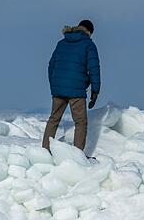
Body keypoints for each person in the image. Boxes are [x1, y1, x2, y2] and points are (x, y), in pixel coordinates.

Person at [42, 19, 101, 152]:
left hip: (58, 89)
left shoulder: (61, 43)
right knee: (80, 123)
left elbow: (51, 66)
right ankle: (77, 155)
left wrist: (54, 85)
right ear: (90, 32)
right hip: (77, 91)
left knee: (54, 119)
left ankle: (45, 151)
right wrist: (95, 91)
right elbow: (94, 69)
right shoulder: (89, 45)